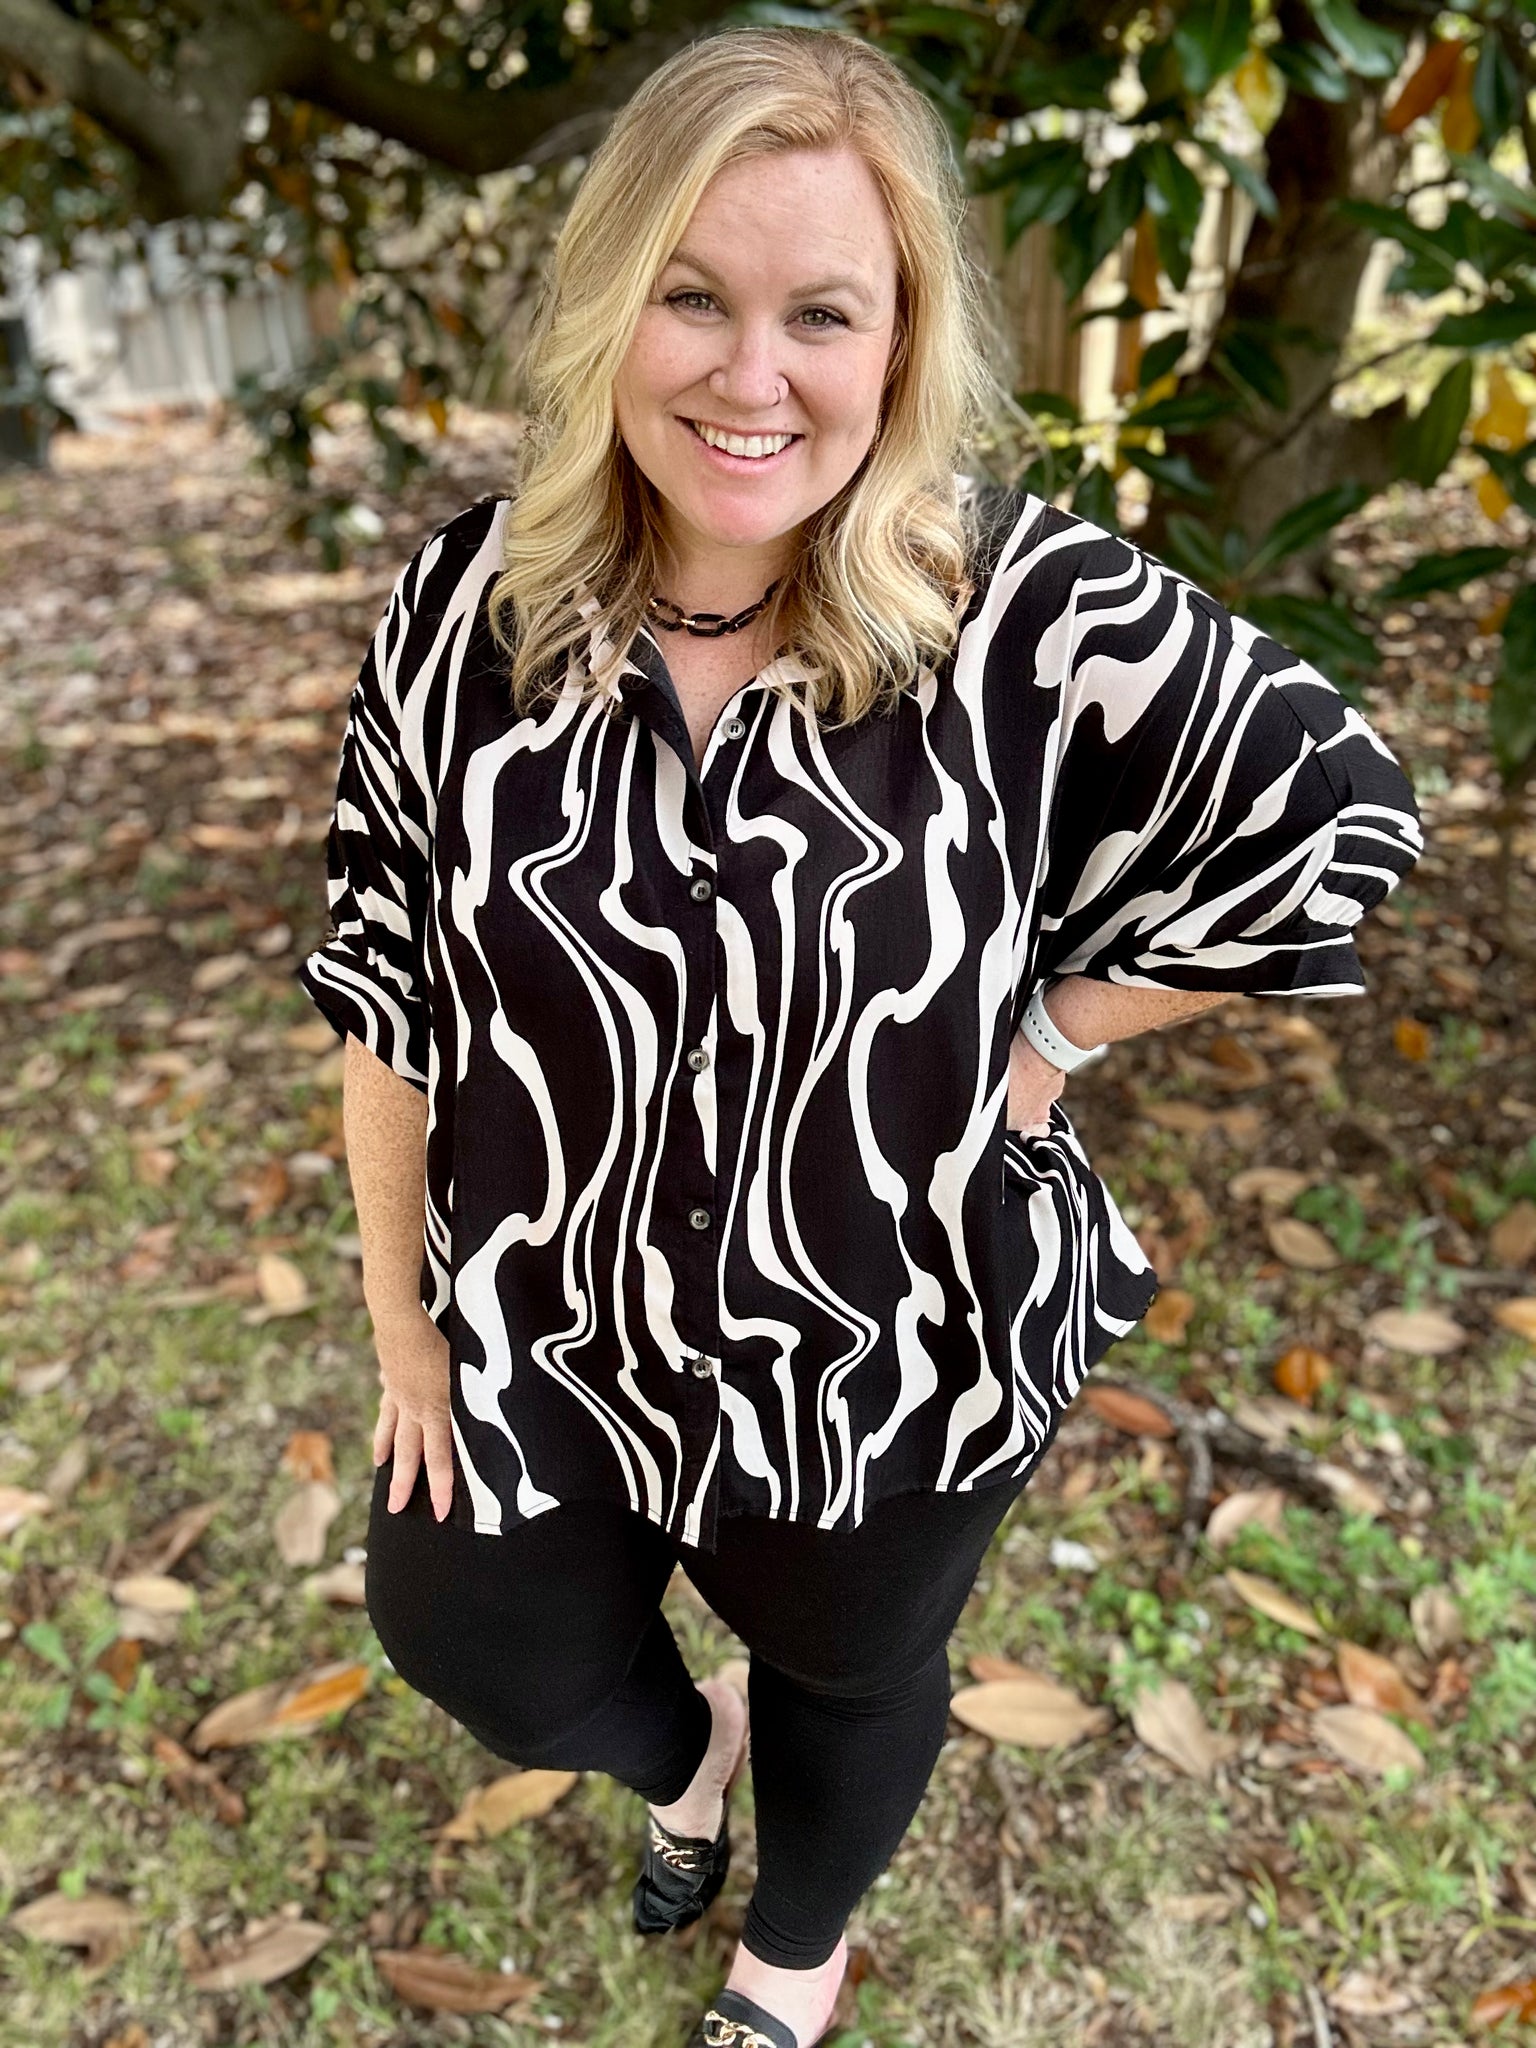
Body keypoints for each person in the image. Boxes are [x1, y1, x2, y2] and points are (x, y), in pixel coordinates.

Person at [297, 25, 1423, 2048]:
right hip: (543, 1312)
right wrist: (400, 1320)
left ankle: (795, 1940)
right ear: (610, 300)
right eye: (693, 297)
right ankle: (686, 1759)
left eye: (821, 312)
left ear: (899, 341)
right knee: (470, 1630)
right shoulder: (469, 609)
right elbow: (387, 980)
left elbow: (1335, 813)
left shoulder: (1019, 611)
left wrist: (1057, 1036)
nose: (754, 375)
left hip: (887, 1340)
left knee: (853, 1675)